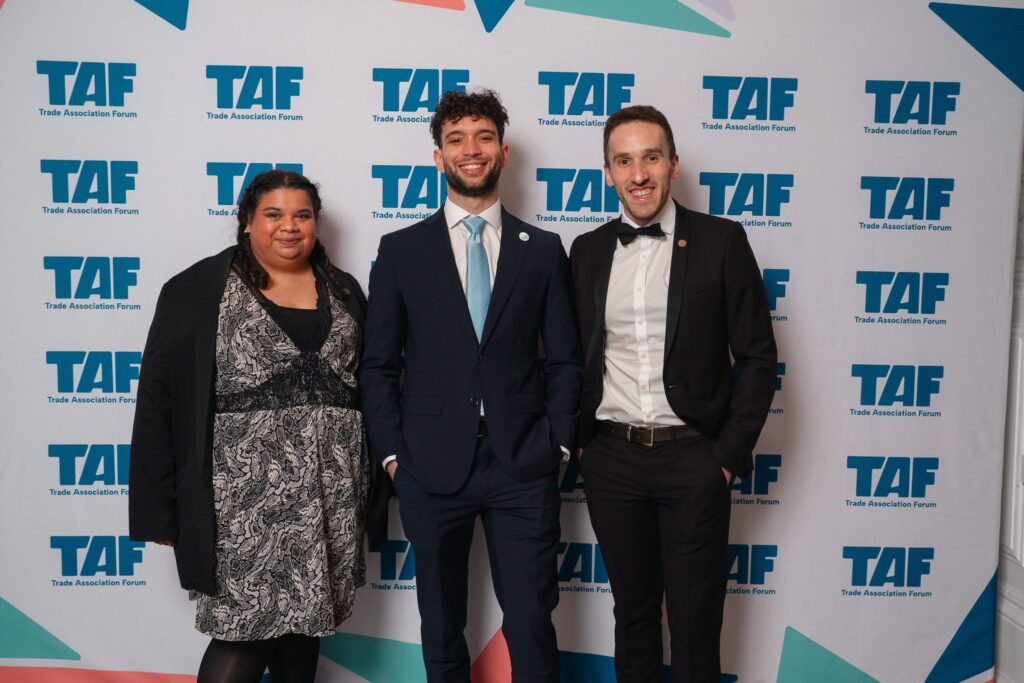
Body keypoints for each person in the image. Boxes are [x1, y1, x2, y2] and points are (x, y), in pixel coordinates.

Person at [128, 169, 388, 683]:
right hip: (243, 504)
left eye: (302, 215)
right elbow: (158, 401)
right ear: (248, 221)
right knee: (242, 635)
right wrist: (161, 510)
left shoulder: (343, 289)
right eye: (274, 214)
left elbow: (370, 385)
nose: (289, 226)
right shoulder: (196, 290)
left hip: (330, 496)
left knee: (304, 631)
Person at [360, 89, 582, 683]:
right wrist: (393, 456)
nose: (471, 149)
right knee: (440, 624)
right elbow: (378, 366)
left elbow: (566, 360)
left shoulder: (544, 251)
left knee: (531, 621)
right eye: (456, 139)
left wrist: (559, 443)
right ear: (439, 157)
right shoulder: (401, 250)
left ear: (504, 153)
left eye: (484, 137)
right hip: (428, 464)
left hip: (523, 463)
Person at [569, 105, 777, 682]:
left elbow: (758, 358)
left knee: (694, 622)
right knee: (633, 617)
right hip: (612, 459)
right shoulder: (585, 250)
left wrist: (725, 458)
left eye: (651, 158)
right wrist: (583, 446)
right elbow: (570, 359)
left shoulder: (721, 241)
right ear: (607, 172)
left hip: (694, 460)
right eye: (624, 161)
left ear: (674, 164)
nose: (639, 174)